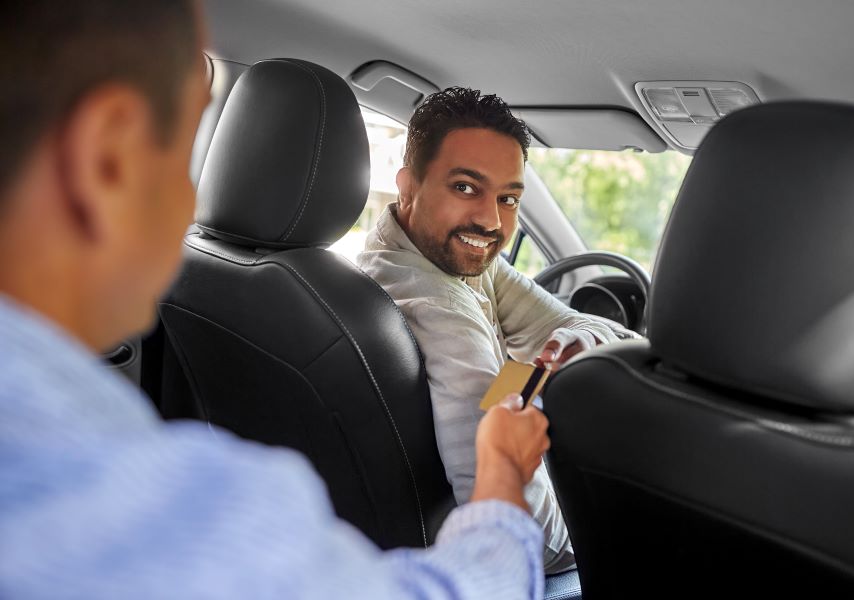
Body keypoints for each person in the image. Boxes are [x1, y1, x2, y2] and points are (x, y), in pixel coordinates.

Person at [0, 3, 552, 598]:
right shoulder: (138, 502)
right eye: (180, 149)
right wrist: (503, 468)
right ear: (106, 157)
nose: (194, 200)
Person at [358, 87, 638, 573]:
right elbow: (524, 530)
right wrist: (606, 533)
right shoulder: (438, 306)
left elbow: (576, 324)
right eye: (465, 187)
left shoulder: (454, 257)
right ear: (408, 186)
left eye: (508, 198)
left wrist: (582, 341)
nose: (490, 221)